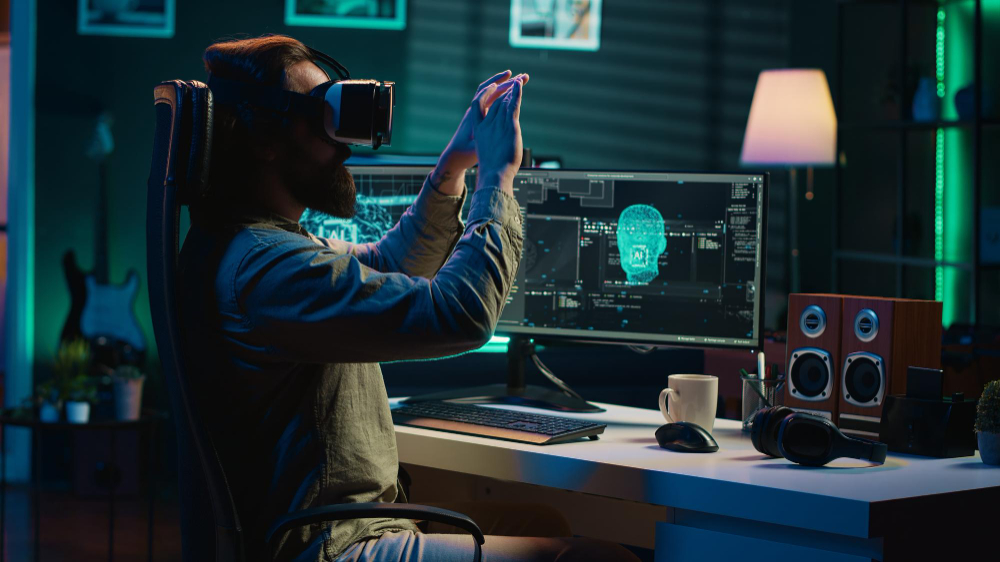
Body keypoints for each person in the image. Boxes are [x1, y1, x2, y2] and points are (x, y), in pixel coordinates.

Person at [179, 34, 638, 562]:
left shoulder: (253, 244)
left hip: (348, 522)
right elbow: (460, 314)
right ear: (263, 139)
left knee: (541, 521)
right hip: (329, 545)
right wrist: (497, 179)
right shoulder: (266, 269)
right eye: (320, 117)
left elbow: (388, 264)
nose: (342, 142)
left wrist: (455, 166)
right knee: (598, 559)